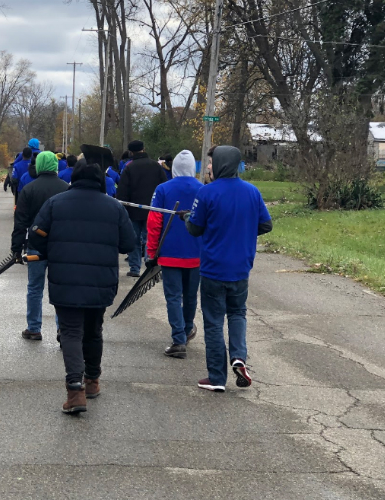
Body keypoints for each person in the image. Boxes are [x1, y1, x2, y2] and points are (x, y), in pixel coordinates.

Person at [29, 162, 135, 414]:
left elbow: (36, 235)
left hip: (64, 278)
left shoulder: (56, 203)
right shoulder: (114, 207)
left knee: (71, 331)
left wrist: (48, 251)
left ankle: (74, 390)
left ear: (73, 179)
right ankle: (92, 381)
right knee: (94, 330)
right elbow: (128, 243)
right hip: (101, 279)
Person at [183, 146, 272, 392]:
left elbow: (195, 228)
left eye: (211, 163)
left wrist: (187, 218)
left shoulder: (207, 193)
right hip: (241, 268)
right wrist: (243, 228)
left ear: (222, 164)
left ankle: (216, 377)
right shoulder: (252, 192)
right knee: (237, 313)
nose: (209, 167)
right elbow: (266, 224)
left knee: (213, 322)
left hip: (213, 268)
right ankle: (239, 356)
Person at [146, 150, 203, 359]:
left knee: (173, 297)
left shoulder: (162, 189)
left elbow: (154, 223)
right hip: (196, 253)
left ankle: (178, 338)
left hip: (169, 253)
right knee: (190, 296)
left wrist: (151, 251)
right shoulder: (204, 189)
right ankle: (187, 329)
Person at [12, 151, 68, 341]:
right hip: (60, 246)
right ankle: (63, 328)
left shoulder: (29, 189)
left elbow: (20, 221)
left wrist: (16, 248)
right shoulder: (66, 189)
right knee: (60, 287)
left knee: (35, 287)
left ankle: (34, 327)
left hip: (35, 244)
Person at [116, 140, 167, 277]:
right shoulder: (156, 166)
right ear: (144, 149)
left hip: (133, 210)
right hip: (153, 209)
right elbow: (164, 186)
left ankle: (134, 267)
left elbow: (122, 191)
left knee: (134, 239)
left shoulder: (129, 167)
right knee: (150, 238)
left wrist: (123, 208)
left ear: (131, 152)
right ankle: (151, 265)